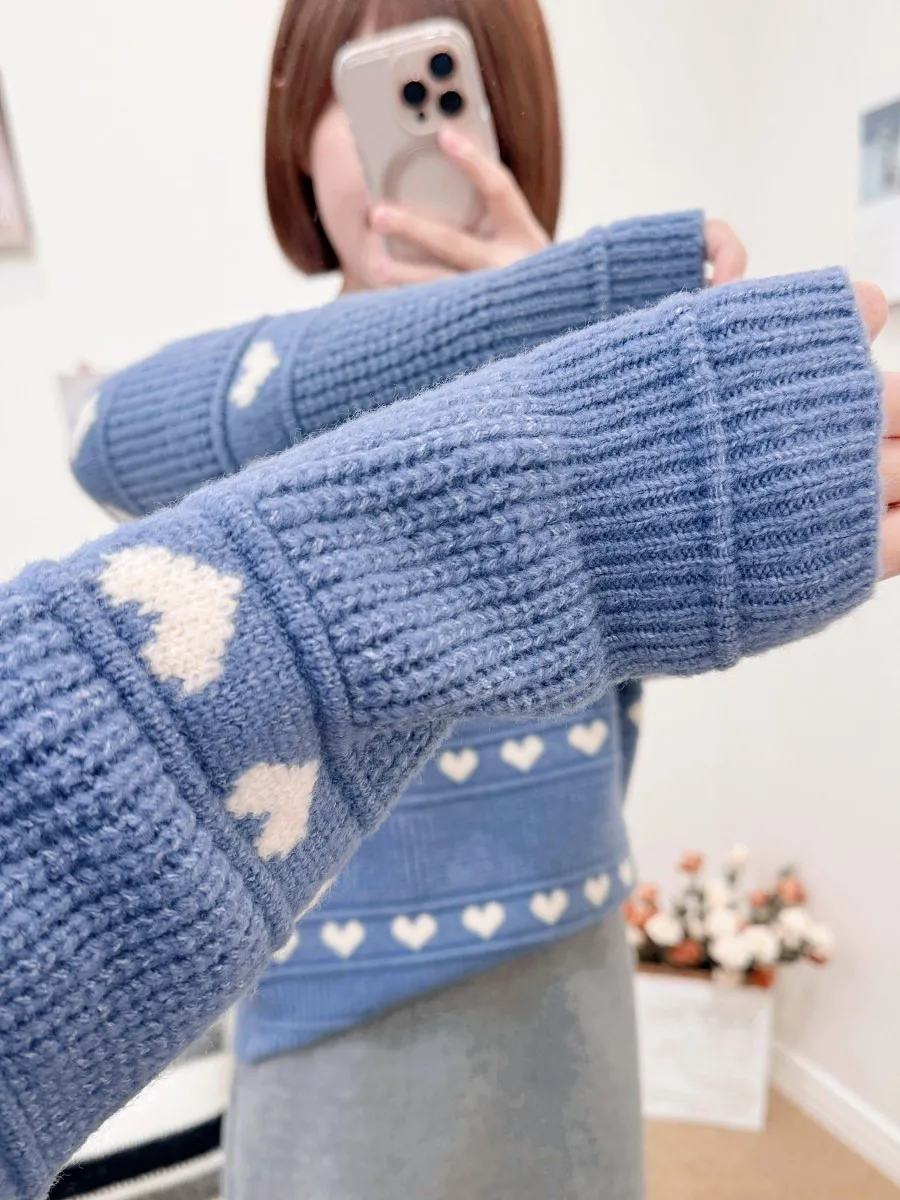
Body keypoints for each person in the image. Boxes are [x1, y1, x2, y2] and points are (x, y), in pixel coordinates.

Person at [71, 1, 747, 1196]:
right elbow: (106, 440)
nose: (419, 135)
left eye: (447, 82)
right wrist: (458, 331)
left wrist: (553, 331)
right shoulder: (249, 393)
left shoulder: (574, 351)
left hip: (561, 943)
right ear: (295, 127)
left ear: (511, 118)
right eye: (369, 86)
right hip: (325, 980)